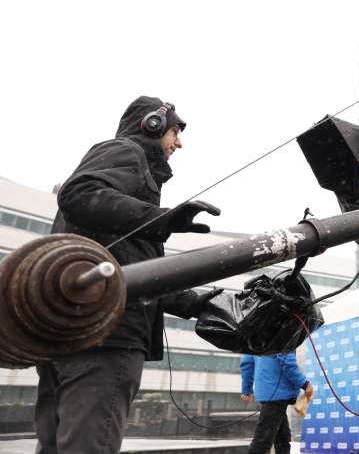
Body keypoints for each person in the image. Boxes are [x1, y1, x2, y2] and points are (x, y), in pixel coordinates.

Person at [34, 96, 222, 454]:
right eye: (175, 132)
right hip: (107, 337)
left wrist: (191, 303)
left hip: (70, 331)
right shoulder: (127, 152)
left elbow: (132, 267)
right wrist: (163, 219)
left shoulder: (121, 194)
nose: (179, 143)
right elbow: (78, 193)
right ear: (151, 125)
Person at [240, 352, 314, 454]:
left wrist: (247, 388)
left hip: (268, 392)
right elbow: (287, 361)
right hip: (277, 393)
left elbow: (247, 362)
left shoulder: (255, 340)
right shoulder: (282, 340)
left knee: (283, 440)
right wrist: (305, 384)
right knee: (262, 441)